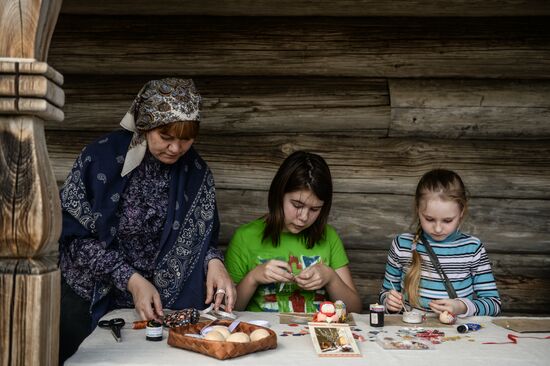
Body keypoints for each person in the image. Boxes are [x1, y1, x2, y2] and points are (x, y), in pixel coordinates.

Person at [58, 78, 236, 363]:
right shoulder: (100, 160)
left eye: (186, 139)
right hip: (88, 297)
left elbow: (203, 237)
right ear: (144, 125)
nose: (176, 148)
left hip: (157, 308)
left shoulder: (196, 172)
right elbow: (74, 238)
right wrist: (131, 279)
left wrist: (213, 261)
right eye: (165, 136)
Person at [225, 151, 362, 313]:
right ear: (279, 194)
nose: (303, 217)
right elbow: (228, 311)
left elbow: (355, 310)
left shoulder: (328, 237)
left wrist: (331, 278)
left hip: (316, 334)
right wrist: (253, 278)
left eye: (315, 209)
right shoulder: (245, 237)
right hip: (263, 333)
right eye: (297, 205)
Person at [379, 169, 501, 317]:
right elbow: (385, 294)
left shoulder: (472, 248)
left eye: (447, 220)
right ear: (418, 209)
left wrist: (461, 307)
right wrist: (389, 303)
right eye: (429, 219)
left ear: (462, 211)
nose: (437, 228)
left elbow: (493, 304)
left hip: (457, 335)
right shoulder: (401, 245)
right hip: (409, 334)